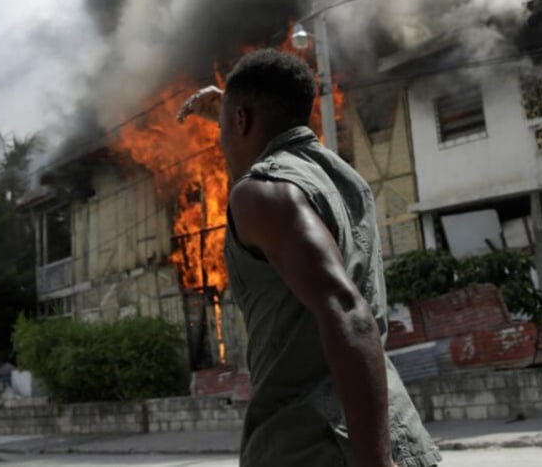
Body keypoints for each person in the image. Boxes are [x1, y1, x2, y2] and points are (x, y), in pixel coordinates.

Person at [178, 49, 440, 467]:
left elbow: (347, 310)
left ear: (243, 120)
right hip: (392, 431)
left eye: (225, 127)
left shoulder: (262, 193)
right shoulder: (344, 178)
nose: (221, 140)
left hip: (315, 445)